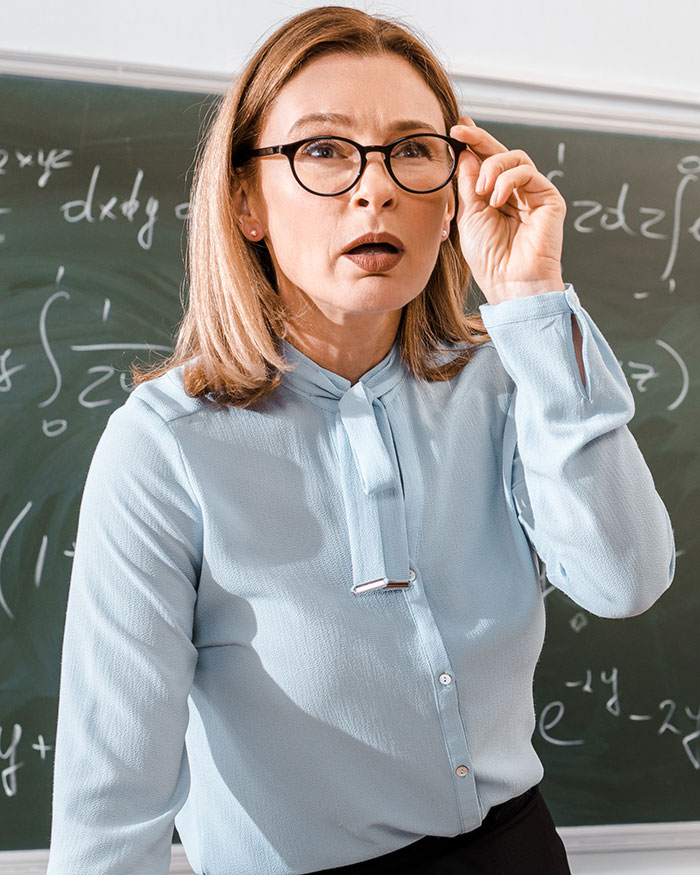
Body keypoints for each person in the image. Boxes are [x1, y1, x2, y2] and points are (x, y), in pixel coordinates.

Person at [47, 6, 675, 875]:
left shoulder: (503, 379)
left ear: (451, 193)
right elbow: (110, 811)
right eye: (323, 150)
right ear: (246, 201)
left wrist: (533, 301)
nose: (374, 188)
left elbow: (625, 578)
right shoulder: (164, 449)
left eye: (413, 150)